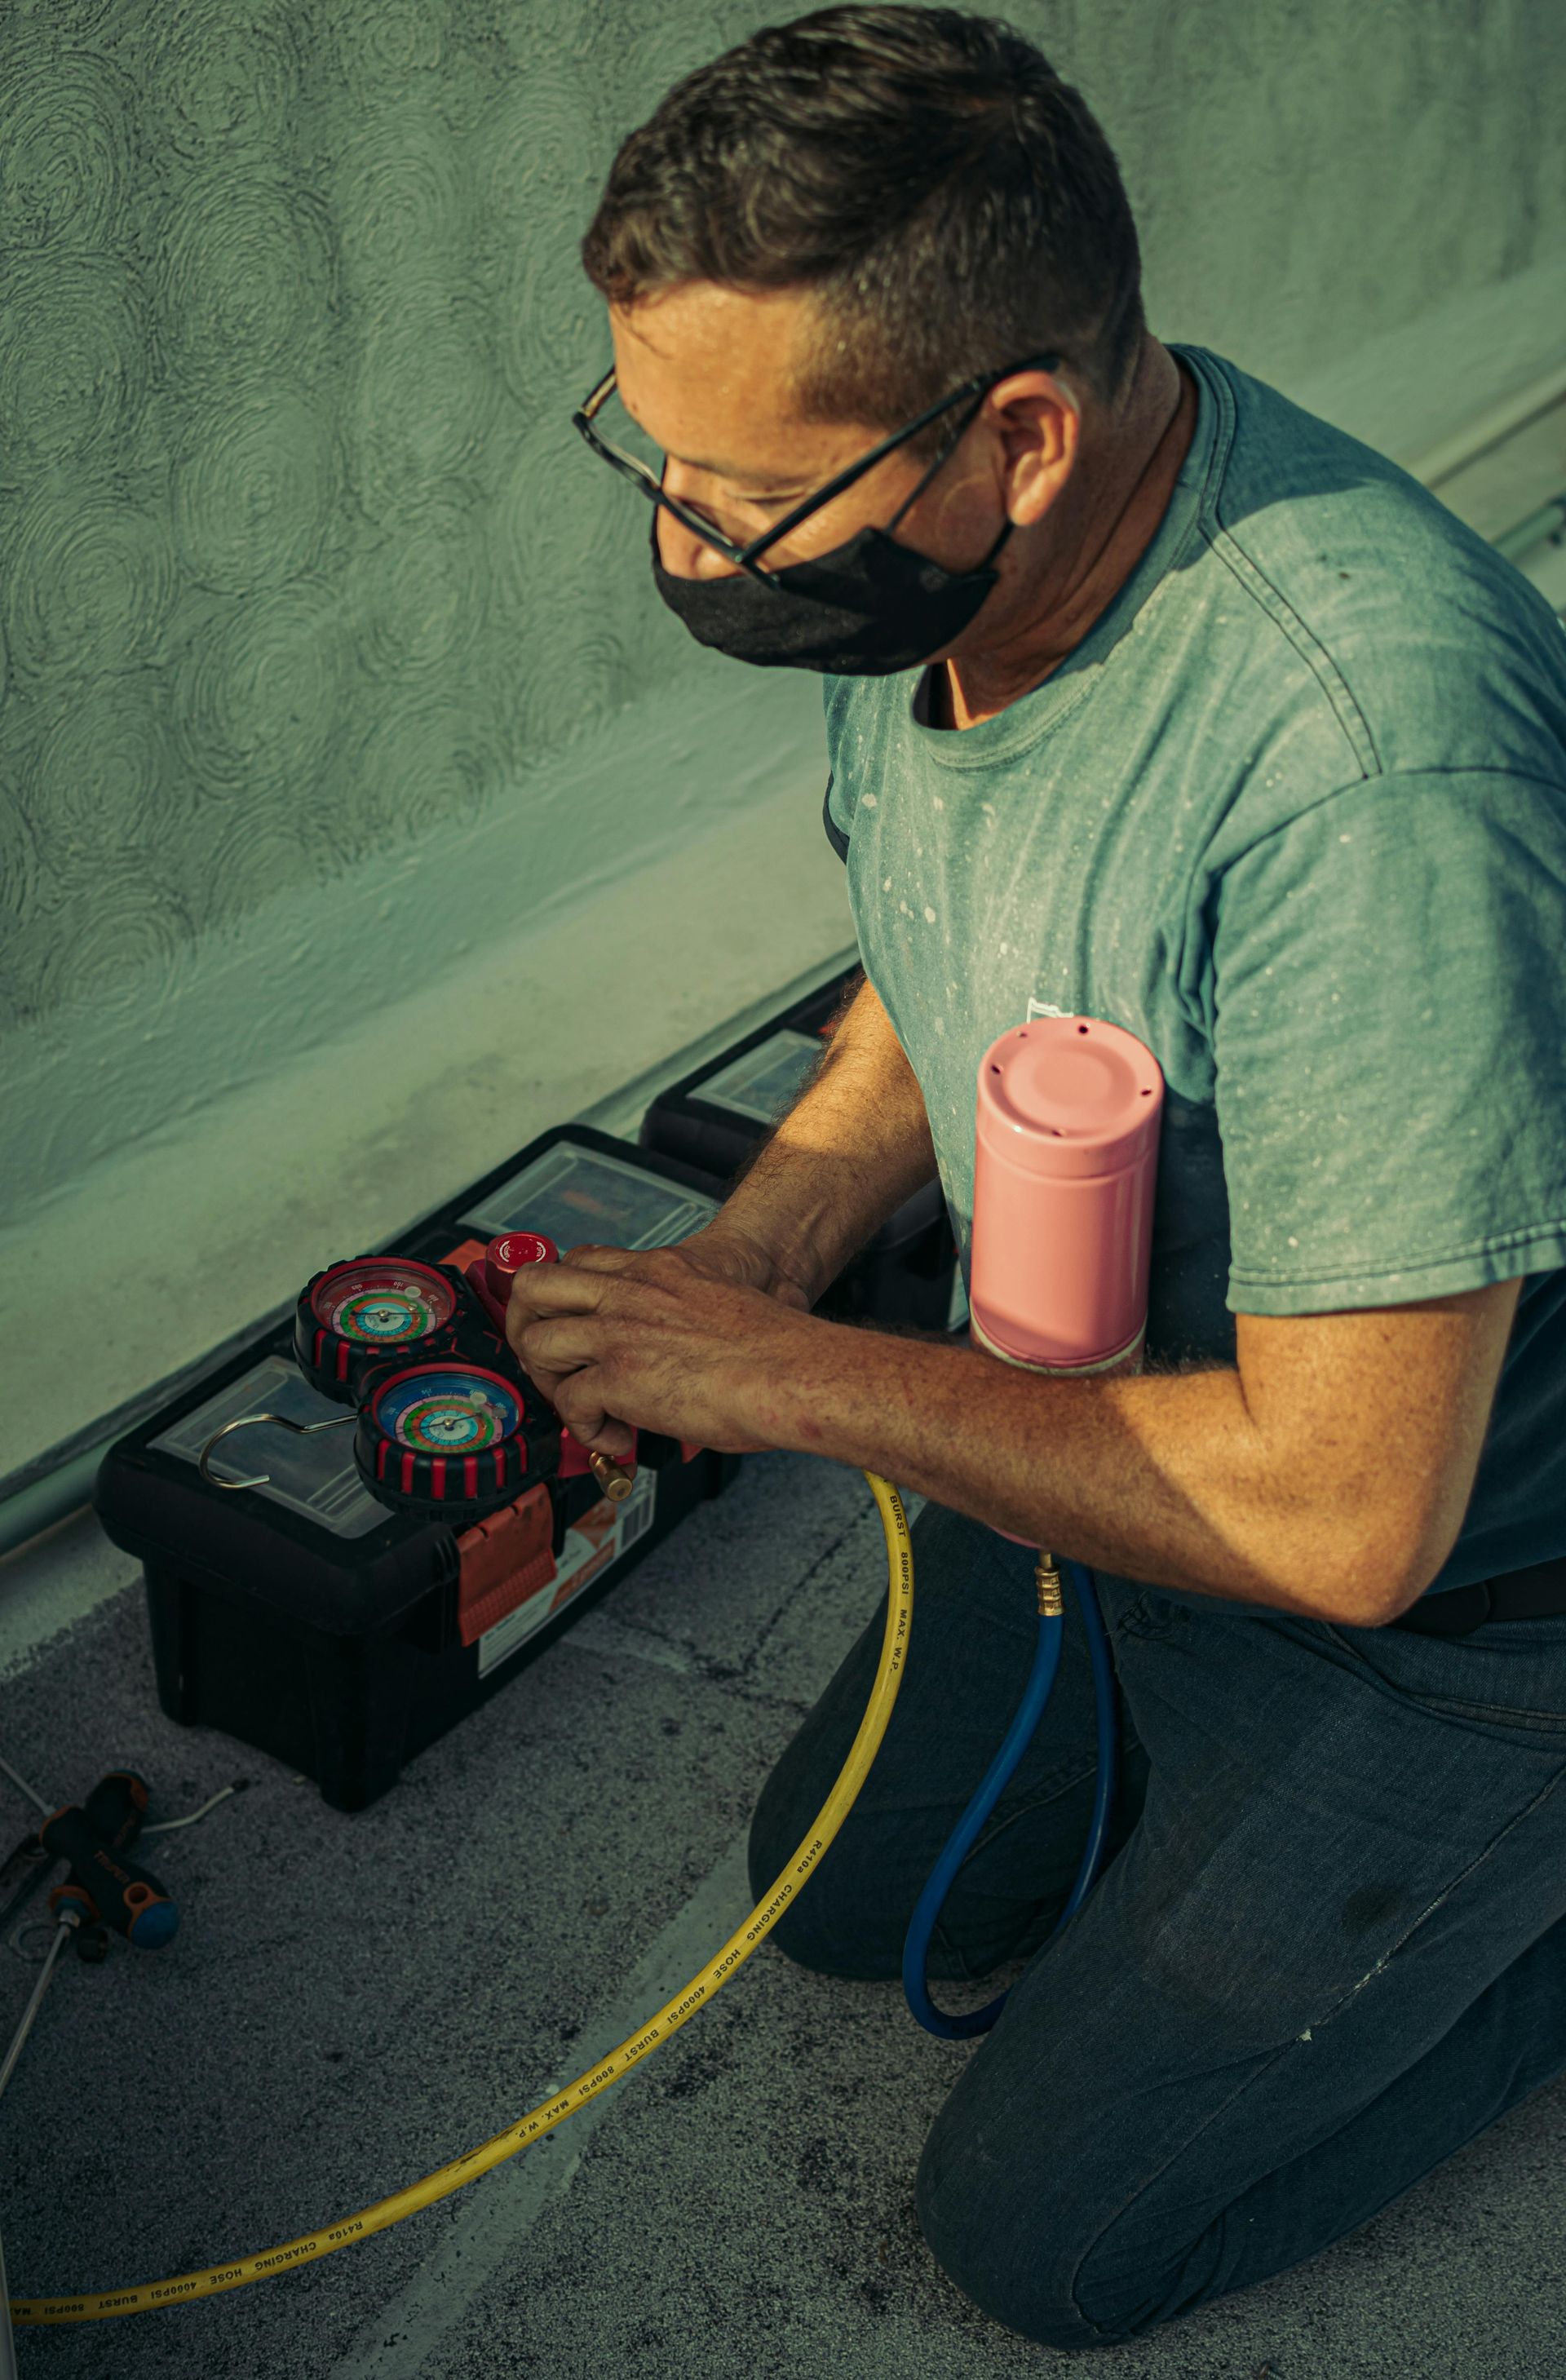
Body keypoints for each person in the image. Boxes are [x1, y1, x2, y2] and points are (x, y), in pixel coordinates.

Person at [505, 4, 1566, 2350]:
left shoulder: (1371, 776)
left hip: (1451, 1612)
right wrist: (772, 1234)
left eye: (736, 497)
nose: (691, 542)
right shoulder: (940, 566)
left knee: (1051, 2241)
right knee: (845, 1906)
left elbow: (1346, 1519)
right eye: (650, 460)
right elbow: (943, 949)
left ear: (1020, 433)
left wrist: (792, 1377)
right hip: (1120, 1453)